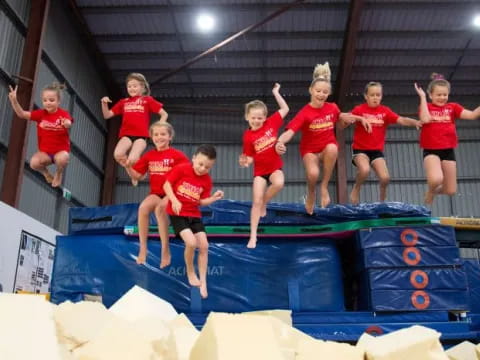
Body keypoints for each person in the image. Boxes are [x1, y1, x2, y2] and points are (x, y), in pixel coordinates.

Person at [275, 62, 367, 213]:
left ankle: (324, 186)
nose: (321, 94)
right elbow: (290, 131)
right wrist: (279, 141)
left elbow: (341, 117)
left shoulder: (332, 107)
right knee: (313, 173)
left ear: (328, 93)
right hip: (309, 150)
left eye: (325, 92)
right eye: (318, 91)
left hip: (326, 147)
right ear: (311, 90)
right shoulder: (305, 112)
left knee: (332, 148)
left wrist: (353, 118)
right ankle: (311, 193)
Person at [163, 144, 224, 298]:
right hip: (178, 213)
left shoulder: (207, 181)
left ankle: (203, 282)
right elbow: (167, 185)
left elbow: (201, 202)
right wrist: (175, 200)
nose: (203, 169)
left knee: (204, 245)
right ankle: (190, 271)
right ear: (194, 158)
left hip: (194, 214)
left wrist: (213, 198)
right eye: (200, 164)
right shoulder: (182, 169)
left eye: (207, 167)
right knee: (191, 243)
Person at [126, 122, 189, 268]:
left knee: (160, 209)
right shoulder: (149, 156)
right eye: (156, 134)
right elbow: (137, 176)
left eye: (163, 134)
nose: (159, 137)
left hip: (172, 192)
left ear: (170, 137)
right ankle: (143, 247)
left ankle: (165, 249)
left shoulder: (177, 155)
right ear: (151, 137)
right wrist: (128, 166)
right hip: (156, 192)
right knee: (143, 208)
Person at [349, 82, 421, 205]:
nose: (375, 97)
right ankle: (356, 188)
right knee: (365, 170)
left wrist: (415, 122)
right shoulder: (359, 109)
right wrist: (350, 120)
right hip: (360, 150)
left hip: (376, 151)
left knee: (385, 178)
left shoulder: (385, 111)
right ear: (366, 96)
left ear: (381, 96)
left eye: (378, 95)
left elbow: (401, 120)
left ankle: (382, 202)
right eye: (372, 95)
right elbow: (347, 118)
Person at [414, 73, 480, 205]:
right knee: (436, 179)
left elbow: (472, 115)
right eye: (438, 95)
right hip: (431, 150)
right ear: (431, 95)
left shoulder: (452, 107)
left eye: (445, 94)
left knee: (450, 190)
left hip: (448, 150)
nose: (442, 97)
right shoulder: (426, 107)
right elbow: (425, 119)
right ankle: (431, 190)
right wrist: (422, 97)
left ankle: (433, 191)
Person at [239, 83, 289, 248]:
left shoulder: (271, 123)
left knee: (279, 183)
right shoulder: (247, 136)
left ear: (265, 117)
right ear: (247, 117)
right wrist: (245, 161)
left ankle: (265, 202)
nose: (257, 120)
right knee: (256, 201)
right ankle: (253, 236)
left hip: (275, 168)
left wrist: (276, 92)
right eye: (253, 117)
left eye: (260, 117)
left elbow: (285, 109)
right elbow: (250, 156)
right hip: (259, 172)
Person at [101, 73, 168, 186]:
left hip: (141, 136)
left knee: (132, 159)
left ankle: (135, 173)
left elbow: (164, 114)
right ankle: (133, 173)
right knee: (118, 154)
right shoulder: (124, 102)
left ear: (142, 87)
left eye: (135, 86)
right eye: (129, 86)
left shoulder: (147, 100)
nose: (131, 88)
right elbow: (107, 115)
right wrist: (104, 103)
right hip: (126, 135)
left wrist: (160, 126)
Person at [8, 83, 73, 188]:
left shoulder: (63, 114)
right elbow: (22, 114)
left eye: (51, 100)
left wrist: (66, 123)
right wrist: (14, 101)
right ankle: (46, 173)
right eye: (45, 100)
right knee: (33, 163)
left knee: (63, 158)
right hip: (46, 153)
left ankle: (59, 173)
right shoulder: (40, 114)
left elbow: (68, 122)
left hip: (60, 152)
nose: (48, 103)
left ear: (58, 101)